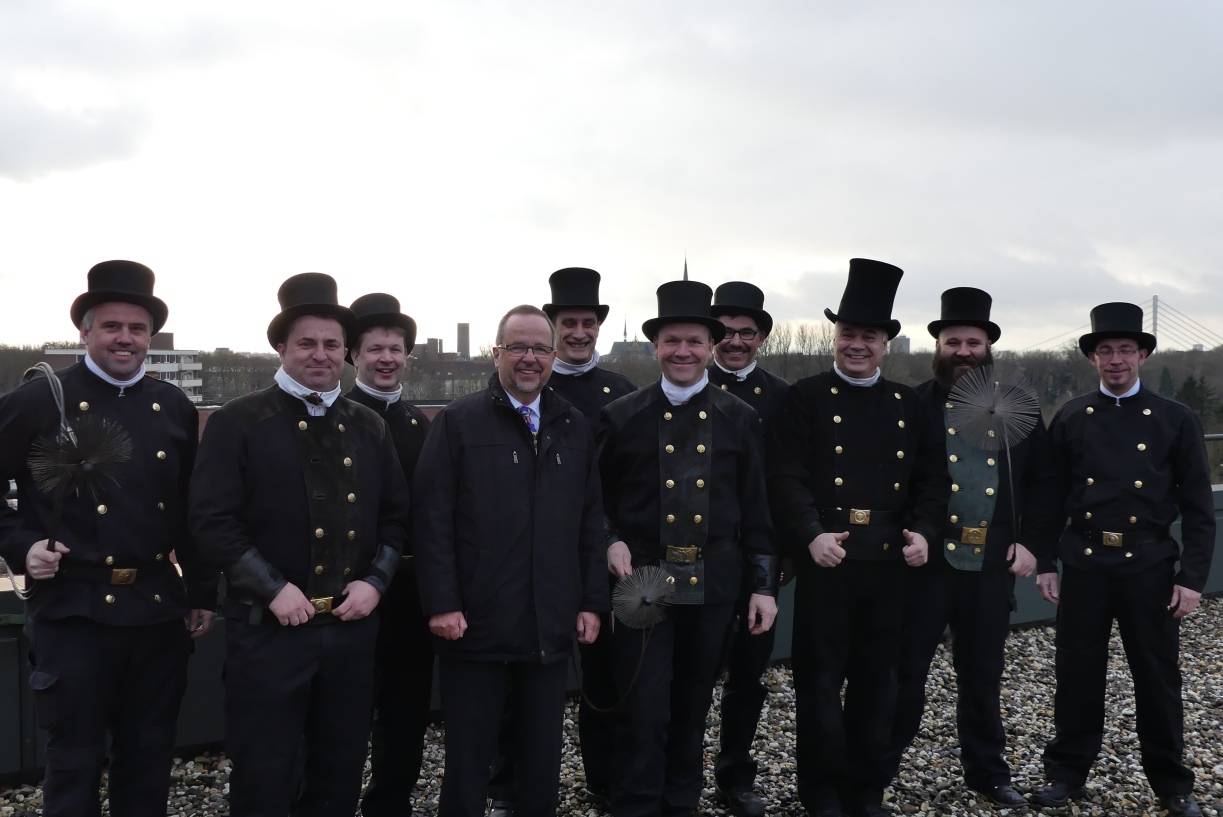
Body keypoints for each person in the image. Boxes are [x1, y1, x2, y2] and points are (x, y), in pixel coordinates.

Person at [0, 260, 216, 817]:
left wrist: (199, 591)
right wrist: (20, 546)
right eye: (112, 327)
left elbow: (191, 508)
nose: (125, 339)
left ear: (150, 337)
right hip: (74, 609)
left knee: (148, 758)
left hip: (153, 609)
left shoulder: (172, 406)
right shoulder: (41, 400)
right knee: (73, 762)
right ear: (85, 332)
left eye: (137, 329)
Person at [190, 272, 410, 817]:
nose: (320, 354)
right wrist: (270, 588)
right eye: (307, 343)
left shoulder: (368, 426)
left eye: (331, 344)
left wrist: (376, 581)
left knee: (337, 773)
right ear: (282, 347)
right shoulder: (236, 422)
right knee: (265, 776)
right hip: (268, 636)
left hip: (350, 635)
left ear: (346, 353)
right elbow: (212, 521)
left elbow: (396, 519)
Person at [414, 304, 608, 817]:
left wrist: (591, 601)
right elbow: (432, 521)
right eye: (517, 347)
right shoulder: (459, 424)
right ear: (496, 352)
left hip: (549, 623)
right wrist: (442, 604)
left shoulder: (574, 425)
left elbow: (590, 523)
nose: (529, 358)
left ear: (553, 355)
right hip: (473, 626)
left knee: (541, 756)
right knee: (470, 759)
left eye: (540, 349)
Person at [767, 258, 946, 817]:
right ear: (834, 338)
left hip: (890, 563)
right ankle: (821, 794)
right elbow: (786, 476)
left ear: (886, 343)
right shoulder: (806, 397)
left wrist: (926, 532)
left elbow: (933, 480)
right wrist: (809, 535)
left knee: (878, 685)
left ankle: (866, 791)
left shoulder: (909, 405)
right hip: (830, 560)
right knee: (818, 686)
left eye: (869, 336)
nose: (857, 345)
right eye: (848, 334)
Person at [598, 278, 778, 817]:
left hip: (714, 583)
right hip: (643, 582)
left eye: (694, 342)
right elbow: (595, 503)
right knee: (643, 704)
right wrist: (609, 539)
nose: (683, 351)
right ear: (656, 346)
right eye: (672, 341)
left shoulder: (739, 419)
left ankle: (681, 803)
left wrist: (763, 586)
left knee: (693, 704)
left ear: (710, 347)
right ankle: (636, 803)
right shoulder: (622, 416)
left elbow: (757, 512)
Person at [1028, 302, 1214, 817]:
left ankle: (1172, 783)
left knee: (1157, 677)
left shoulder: (1176, 419)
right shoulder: (1070, 416)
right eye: (1104, 351)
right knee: (1076, 674)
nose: (1115, 360)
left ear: (1143, 355)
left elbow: (1200, 508)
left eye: (1125, 350)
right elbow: (1050, 496)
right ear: (1092, 359)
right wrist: (1045, 560)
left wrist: (1192, 578)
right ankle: (1066, 772)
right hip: (1086, 564)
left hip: (1149, 566)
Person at [878, 287, 1054, 809]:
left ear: (988, 346)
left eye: (972, 342)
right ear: (938, 346)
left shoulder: (1019, 405)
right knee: (906, 670)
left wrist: (1034, 547)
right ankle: (878, 768)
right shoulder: (912, 405)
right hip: (926, 562)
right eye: (952, 341)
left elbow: (1045, 485)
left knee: (982, 672)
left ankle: (988, 772)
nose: (962, 350)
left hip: (993, 561)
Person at [344, 293, 434, 817]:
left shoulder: (421, 426)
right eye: (374, 348)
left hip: (408, 596)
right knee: (344, 715)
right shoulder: (336, 417)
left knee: (405, 713)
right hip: (348, 593)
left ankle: (390, 804)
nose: (385, 358)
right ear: (355, 354)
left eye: (395, 349)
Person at [707, 281, 790, 817]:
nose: (736, 342)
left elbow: (791, 482)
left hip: (758, 558)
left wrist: (781, 557)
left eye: (747, 333)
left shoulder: (784, 398)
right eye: (727, 332)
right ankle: (677, 769)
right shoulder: (686, 385)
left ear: (761, 337)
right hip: (699, 556)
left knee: (748, 675)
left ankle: (736, 772)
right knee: (684, 674)